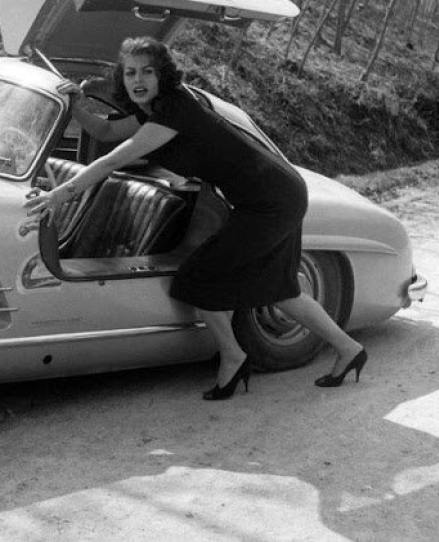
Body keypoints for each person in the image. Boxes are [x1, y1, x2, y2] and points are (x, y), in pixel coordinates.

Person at [24, 36, 367, 400]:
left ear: (163, 76)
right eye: (130, 73)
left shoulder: (175, 111)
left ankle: (234, 356)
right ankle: (349, 350)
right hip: (274, 192)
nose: (137, 80)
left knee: (198, 278)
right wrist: (76, 104)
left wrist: (58, 195)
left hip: (270, 199)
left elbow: (112, 160)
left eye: (147, 72)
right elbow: (106, 131)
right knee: (281, 289)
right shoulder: (155, 109)